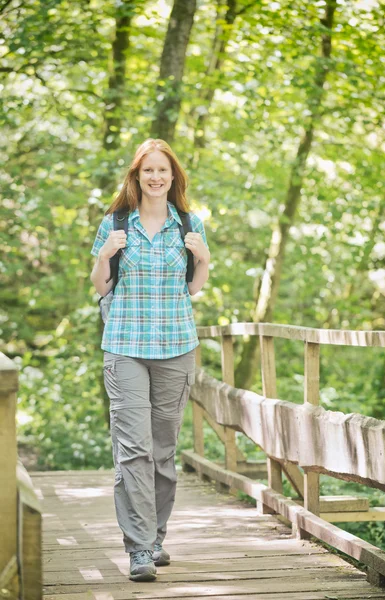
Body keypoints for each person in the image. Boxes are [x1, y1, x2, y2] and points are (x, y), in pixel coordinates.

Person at [89, 138, 210, 582]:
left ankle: (156, 537)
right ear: (136, 177)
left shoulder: (190, 224)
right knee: (133, 450)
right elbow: (102, 286)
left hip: (176, 348)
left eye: (163, 171)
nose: (156, 177)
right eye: (147, 171)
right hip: (124, 347)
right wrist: (104, 254)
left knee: (162, 452)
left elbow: (194, 287)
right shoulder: (115, 223)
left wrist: (205, 259)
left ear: (174, 177)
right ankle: (138, 549)